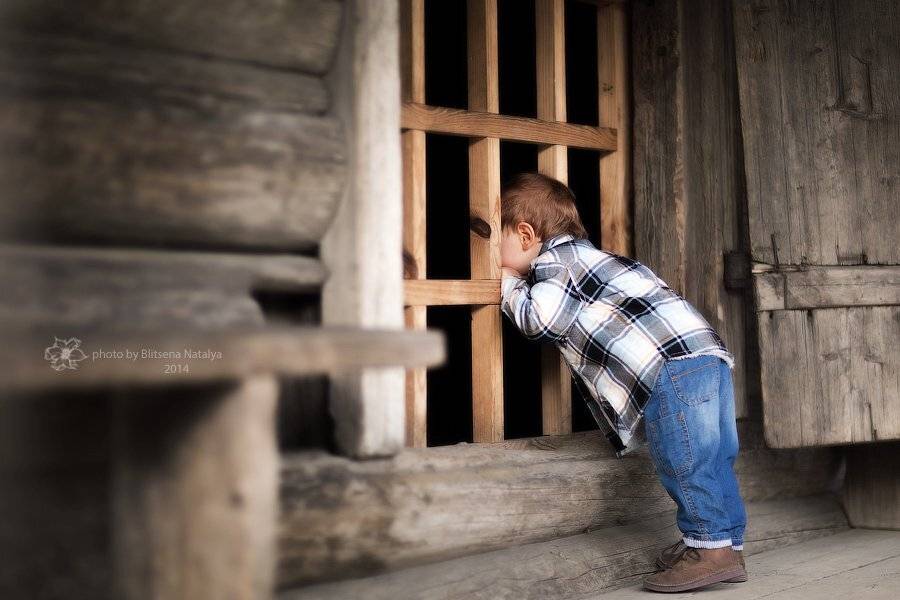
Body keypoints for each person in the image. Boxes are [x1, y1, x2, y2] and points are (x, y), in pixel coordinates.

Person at [499, 172, 748, 592]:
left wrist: (509, 282)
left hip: (671, 367)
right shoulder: (602, 260)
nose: (493, 256)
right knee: (714, 456)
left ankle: (710, 550)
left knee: (684, 460)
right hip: (707, 356)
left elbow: (540, 320)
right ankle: (725, 542)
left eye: (496, 243)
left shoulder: (557, 264)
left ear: (525, 235)